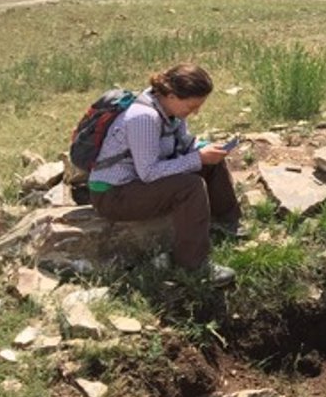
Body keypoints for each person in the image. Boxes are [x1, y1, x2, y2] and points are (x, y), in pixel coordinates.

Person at [88, 64, 242, 287]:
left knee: (212, 162)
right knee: (190, 186)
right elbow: (149, 172)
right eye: (192, 106)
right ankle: (193, 265)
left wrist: (206, 150)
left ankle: (227, 222)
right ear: (171, 96)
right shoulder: (144, 117)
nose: (195, 112)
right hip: (113, 195)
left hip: (136, 184)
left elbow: (184, 143)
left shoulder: (170, 111)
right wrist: (197, 159)